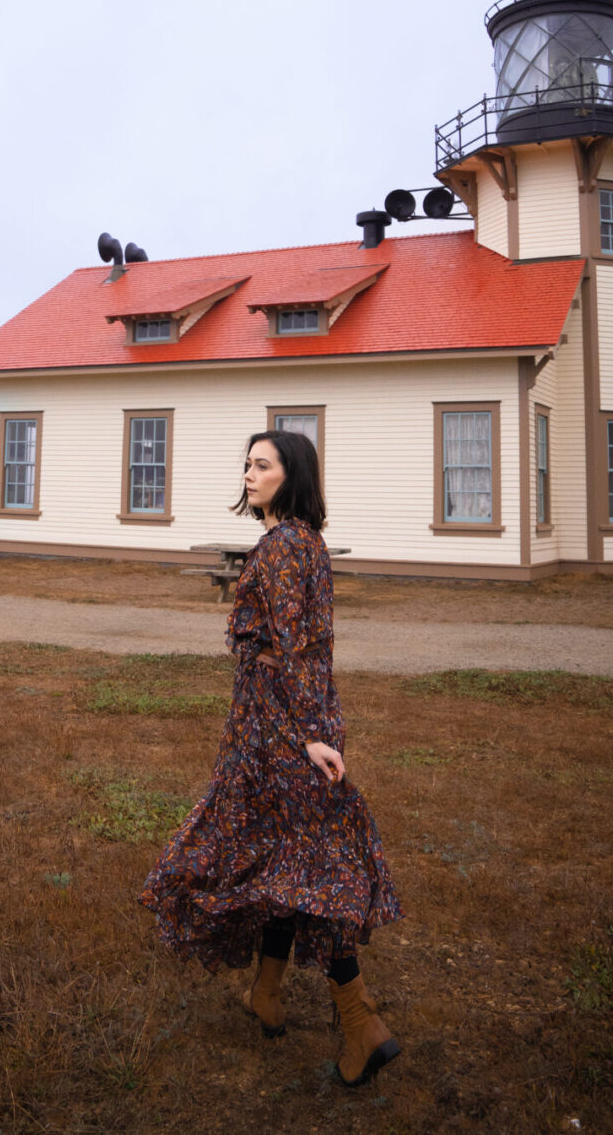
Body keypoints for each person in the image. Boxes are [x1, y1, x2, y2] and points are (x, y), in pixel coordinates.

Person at [138, 429, 403, 1087]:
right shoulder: (305, 542)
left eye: (263, 464)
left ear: (293, 474)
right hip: (278, 725)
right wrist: (319, 726)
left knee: (305, 867)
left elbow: (293, 648)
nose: (249, 473)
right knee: (282, 860)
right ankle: (268, 990)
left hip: (277, 732)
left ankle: (362, 1022)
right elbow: (311, 648)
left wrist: (307, 735)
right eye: (247, 463)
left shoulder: (283, 547)